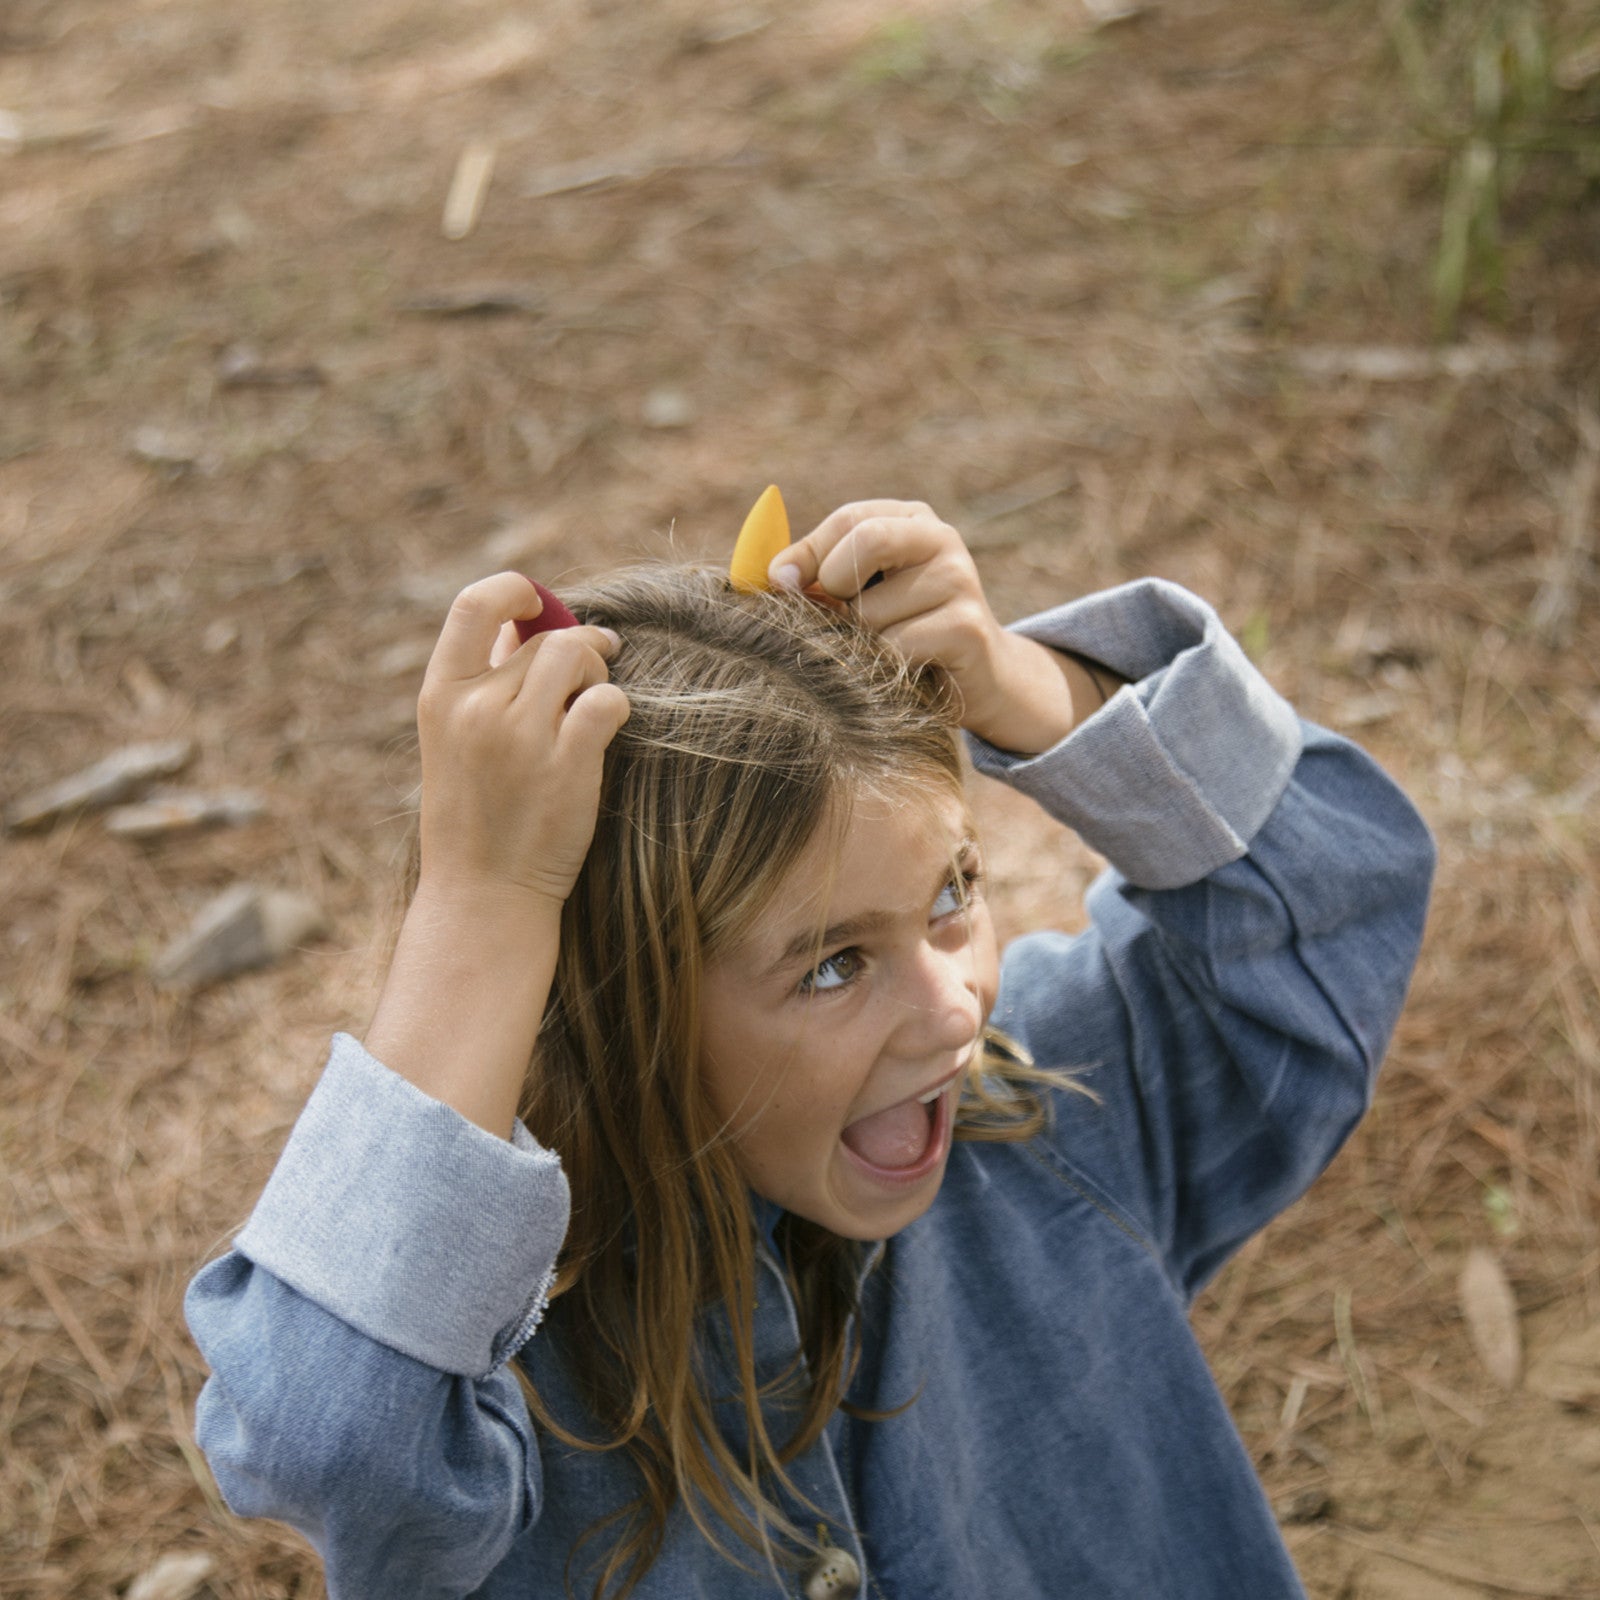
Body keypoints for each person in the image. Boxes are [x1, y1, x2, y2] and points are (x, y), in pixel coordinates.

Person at [185, 499, 1435, 1600]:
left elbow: (1341, 892)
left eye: (952, 892)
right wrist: (485, 903)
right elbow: (327, 1438)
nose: (953, 1009)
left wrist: (1024, 684)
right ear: (620, 1008)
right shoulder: (483, 1378)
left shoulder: (1040, 1111)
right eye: (833, 962)